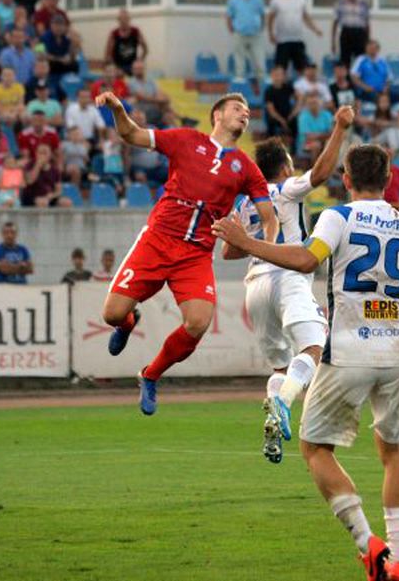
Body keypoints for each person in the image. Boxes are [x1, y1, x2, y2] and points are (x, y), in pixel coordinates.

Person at [213, 144, 399, 581]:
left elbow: (306, 259)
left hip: (347, 347)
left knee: (314, 448)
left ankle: (369, 545)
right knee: (394, 451)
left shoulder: (338, 217)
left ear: (345, 179)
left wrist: (246, 242)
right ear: (388, 179)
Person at [98, 91, 279, 415]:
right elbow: (131, 134)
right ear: (218, 115)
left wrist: (264, 251)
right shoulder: (185, 140)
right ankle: (127, 323)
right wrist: (118, 109)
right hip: (157, 240)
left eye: (248, 112)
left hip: (195, 253)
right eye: (238, 108)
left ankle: (150, 375)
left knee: (198, 322)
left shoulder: (246, 168)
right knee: (111, 314)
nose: (245, 114)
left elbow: (270, 218)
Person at [225, 106, 354, 462]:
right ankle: (282, 402)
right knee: (314, 349)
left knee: (281, 368)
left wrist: (253, 240)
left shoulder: (247, 201)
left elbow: (228, 251)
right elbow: (323, 173)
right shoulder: (284, 188)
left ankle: (272, 423)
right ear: (284, 167)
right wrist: (340, 129)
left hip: (256, 285)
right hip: (287, 277)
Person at [267, 0, 322, 73]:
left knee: (303, 70)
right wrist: (271, 34)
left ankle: (302, 88)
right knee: (280, 70)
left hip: (298, 40)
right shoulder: (276, 0)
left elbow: (306, 17)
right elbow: (270, 18)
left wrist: (315, 29)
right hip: (282, 41)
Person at [225, 0, 267, 79]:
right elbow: (229, 16)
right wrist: (232, 30)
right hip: (239, 35)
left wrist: (261, 28)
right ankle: (241, 90)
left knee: (260, 64)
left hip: (255, 36)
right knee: (240, 66)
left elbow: (262, 15)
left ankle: (262, 91)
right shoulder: (233, 0)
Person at [331, 0, 370, 68]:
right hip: (346, 33)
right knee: (345, 61)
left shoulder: (363, 3)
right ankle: (347, 81)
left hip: (360, 34)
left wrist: (368, 41)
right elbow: (335, 23)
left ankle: (359, 81)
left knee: (360, 61)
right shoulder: (340, 3)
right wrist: (333, 42)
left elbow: (367, 23)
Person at [105, 7, 148, 76]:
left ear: (129, 19)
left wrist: (140, 60)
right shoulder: (114, 34)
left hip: (132, 66)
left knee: (139, 71)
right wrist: (114, 68)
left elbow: (145, 49)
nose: (124, 21)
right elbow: (108, 55)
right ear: (118, 20)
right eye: (121, 19)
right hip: (118, 66)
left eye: (126, 19)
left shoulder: (135, 32)